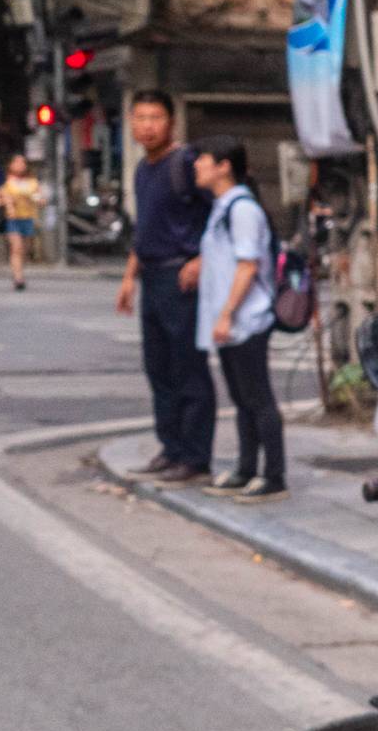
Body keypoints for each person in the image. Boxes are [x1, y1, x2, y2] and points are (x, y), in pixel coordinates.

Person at [116, 91, 217, 486]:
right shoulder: (143, 169)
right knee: (158, 367)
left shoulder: (186, 162)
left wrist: (201, 259)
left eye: (155, 117)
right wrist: (129, 277)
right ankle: (171, 448)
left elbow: (220, 212)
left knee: (188, 367)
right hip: (152, 275)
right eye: (140, 117)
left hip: (182, 278)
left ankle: (195, 457)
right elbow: (145, 228)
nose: (147, 125)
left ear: (171, 122)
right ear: (130, 123)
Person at [189, 136, 286, 504]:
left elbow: (248, 266)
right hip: (231, 321)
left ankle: (274, 475)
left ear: (223, 166)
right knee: (243, 399)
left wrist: (227, 313)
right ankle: (247, 469)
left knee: (258, 398)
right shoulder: (223, 207)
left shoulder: (243, 209)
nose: (196, 165)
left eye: (203, 159)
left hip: (247, 319)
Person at [0, 154, 44, 291]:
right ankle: (18, 277)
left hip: (28, 218)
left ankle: (20, 270)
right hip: (13, 219)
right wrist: (6, 202)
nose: (20, 165)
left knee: (24, 250)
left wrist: (36, 199)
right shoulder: (5, 183)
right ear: (10, 165)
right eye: (16, 162)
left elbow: (41, 200)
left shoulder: (32, 182)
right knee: (16, 247)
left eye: (22, 162)